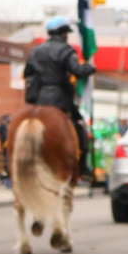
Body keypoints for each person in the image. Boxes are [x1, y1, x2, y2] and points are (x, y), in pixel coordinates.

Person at [23, 16, 97, 177]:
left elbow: (27, 73)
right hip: (59, 100)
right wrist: (91, 67)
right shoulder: (65, 50)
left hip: (37, 100)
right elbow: (77, 70)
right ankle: (83, 167)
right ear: (64, 33)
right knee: (79, 129)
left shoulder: (36, 50)